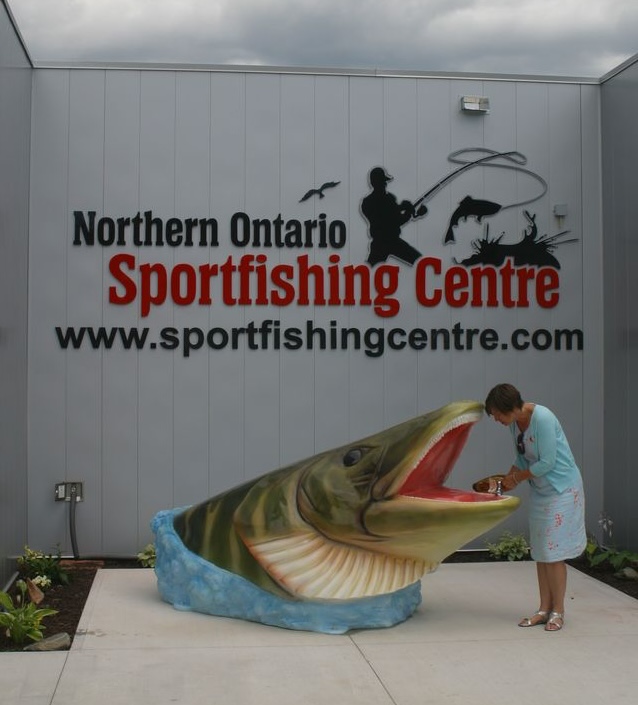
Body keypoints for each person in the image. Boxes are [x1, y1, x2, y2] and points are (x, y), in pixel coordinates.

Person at [484, 383, 586, 632]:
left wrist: (517, 479)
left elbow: (548, 463)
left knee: (553, 553)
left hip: (562, 490)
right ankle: (543, 609)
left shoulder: (543, 417)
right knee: (541, 552)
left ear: (510, 407)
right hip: (541, 492)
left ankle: (558, 611)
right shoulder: (514, 425)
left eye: (497, 413)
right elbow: (521, 459)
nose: (496, 419)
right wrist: (503, 482)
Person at [361, 167, 427, 266]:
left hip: (384, 242)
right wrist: (408, 212)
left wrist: (403, 207)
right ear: (376, 183)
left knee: (370, 270)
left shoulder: (369, 201)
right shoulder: (385, 200)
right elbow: (394, 220)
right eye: (383, 181)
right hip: (387, 242)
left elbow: (390, 212)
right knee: (420, 263)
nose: (385, 184)